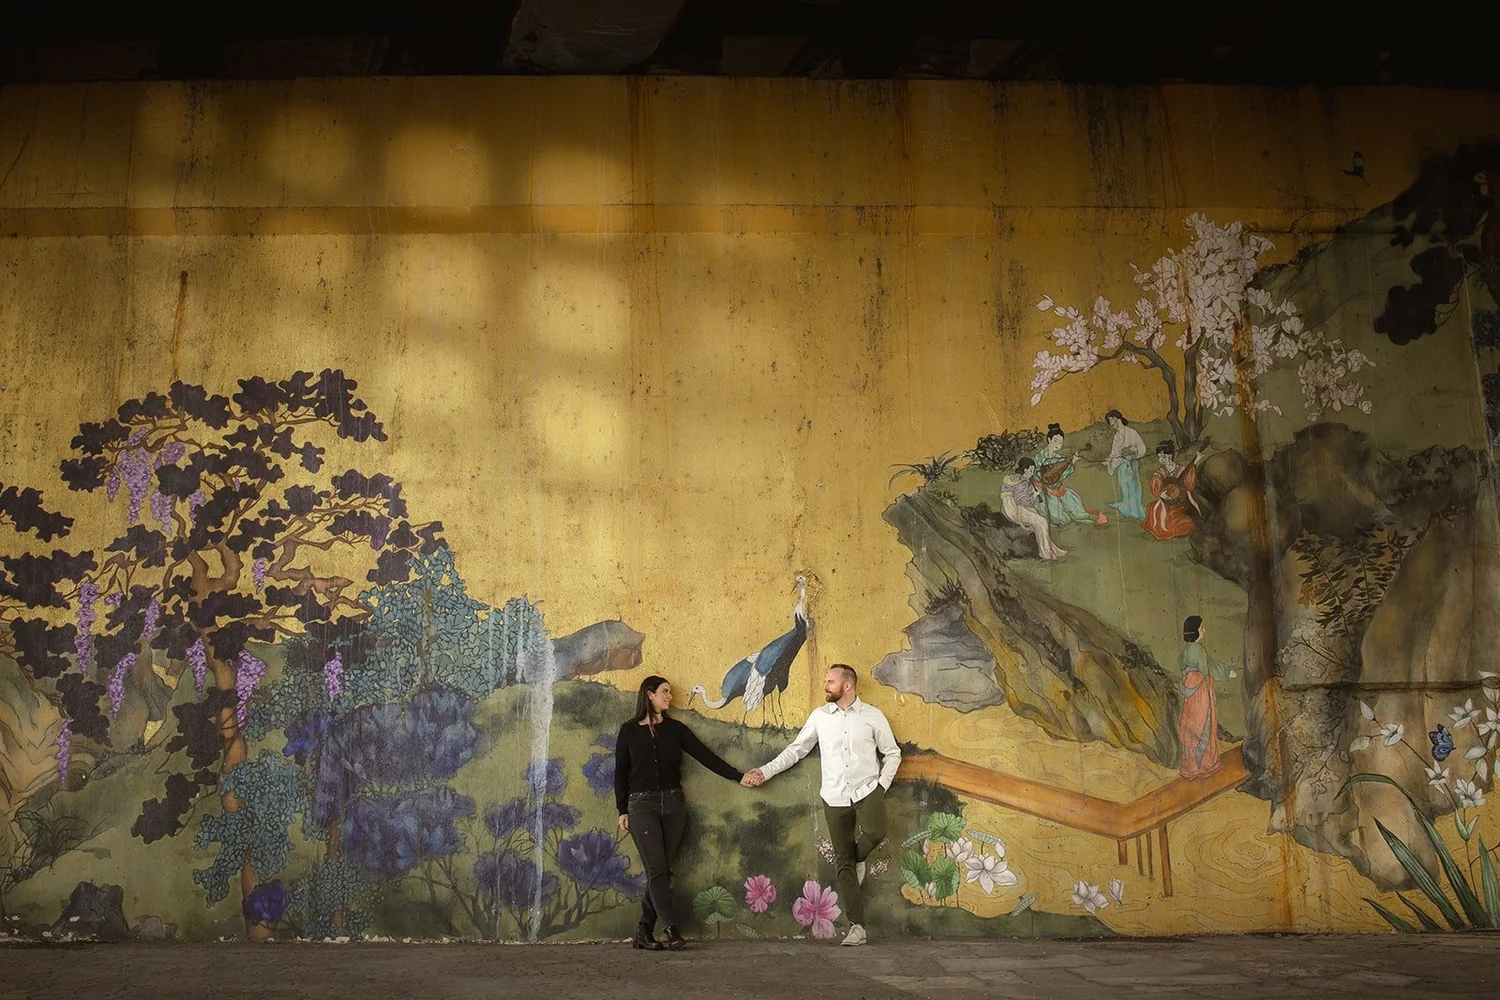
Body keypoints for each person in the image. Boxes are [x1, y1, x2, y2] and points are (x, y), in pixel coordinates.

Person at [742, 665, 901, 947]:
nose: (825, 686)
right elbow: (797, 750)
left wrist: (880, 787)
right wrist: (765, 771)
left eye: (830, 681)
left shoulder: (872, 716)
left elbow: (892, 753)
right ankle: (857, 927)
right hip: (834, 796)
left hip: (868, 791)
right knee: (844, 863)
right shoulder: (820, 717)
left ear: (847, 685)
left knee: (875, 833)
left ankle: (859, 857)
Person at [615, 675, 746, 951]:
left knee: (661, 870)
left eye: (670, 692)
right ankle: (672, 928)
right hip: (641, 806)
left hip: (674, 806)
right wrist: (621, 810)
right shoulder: (628, 731)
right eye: (665, 692)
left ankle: (643, 932)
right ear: (649, 695)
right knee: (657, 869)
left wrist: (737, 776)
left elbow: (705, 756)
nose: (669, 697)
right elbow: (620, 774)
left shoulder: (676, 730)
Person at [1177, 616, 1237, 780]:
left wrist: (1224, 668)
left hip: (1191, 692)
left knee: (1191, 727)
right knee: (1204, 725)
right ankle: (1206, 766)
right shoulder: (1199, 649)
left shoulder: (1188, 649)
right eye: (1202, 628)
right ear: (1196, 630)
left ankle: (1190, 767)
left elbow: (1183, 665)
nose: (1204, 631)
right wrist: (1227, 672)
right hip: (1201, 692)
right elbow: (1207, 667)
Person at [1031, 423, 1107, 527]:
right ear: (1049, 440)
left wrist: (1073, 462)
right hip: (1043, 492)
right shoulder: (1039, 457)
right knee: (1061, 519)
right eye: (1055, 441)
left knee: (1077, 509)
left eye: (1060, 442)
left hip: (1057, 488)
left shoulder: (1058, 457)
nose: (1058, 444)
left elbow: (1061, 474)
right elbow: (1038, 475)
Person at [1001, 458, 1067, 560]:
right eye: (1031, 470)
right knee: (1042, 522)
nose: (1032, 473)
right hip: (1016, 510)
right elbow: (1025, 502)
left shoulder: (1016, 478)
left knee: (1042, 520)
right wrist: (1035, 495)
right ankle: (1046, 553)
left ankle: (1051, 550)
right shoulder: (1022, 482)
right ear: (1025, 469)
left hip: (1010, 508)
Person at [1144, 440, 1201, 540]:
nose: (1161, 460)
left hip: (1179, 501)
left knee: (1184, 521)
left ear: (1170, 456)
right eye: (1159, 457)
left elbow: (1188, 481)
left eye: (1163, 457)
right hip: (1165, 501)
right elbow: (1156, 483)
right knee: (1155, 511)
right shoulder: (1160, 471)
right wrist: (1161, 493)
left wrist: (1196, 461)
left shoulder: (1180, 469)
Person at [1103, 410, 1147, 520]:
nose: (1112, 424)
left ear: (1117, 419)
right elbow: (1114, 453)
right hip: (1122, 464)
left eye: (1112, 421)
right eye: (1110, 422)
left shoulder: (1131, 432)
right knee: (1124, 485)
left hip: (1132, 463)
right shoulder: (1117, 437)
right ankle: (1127, 507)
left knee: (1134, 485)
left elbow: (1142, 447)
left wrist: (1134, 450)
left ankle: (1135, 508)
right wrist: (1109, 460)